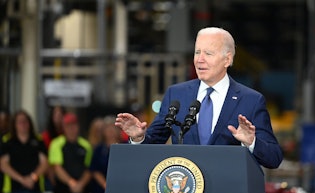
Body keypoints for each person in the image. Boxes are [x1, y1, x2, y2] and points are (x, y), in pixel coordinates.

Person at [115, 27, 283, 169]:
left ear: (227, 59)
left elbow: (274, 157)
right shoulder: (177, 94)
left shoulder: (251, 100)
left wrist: (251, 142)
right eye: (197, 52)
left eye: (208, 53)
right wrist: (138, 138)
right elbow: (152, 144)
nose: (200, 59)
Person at [0, 110, 48, 193]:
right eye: (20, 122)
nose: (23, 124)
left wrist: (33, 177)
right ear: (14, 124)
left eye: (25, 121)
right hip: (12, 188)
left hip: (35, 187)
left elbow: (44, 163)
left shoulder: (38, 140)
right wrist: (22, 179)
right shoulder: (7, 141)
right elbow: (3, 164)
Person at [48, 112, 93, 193]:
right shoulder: (57, 144)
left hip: (82, 187)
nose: (71, 128)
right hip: (63, 187)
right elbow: (57, 167)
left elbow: (89, 169)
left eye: (74, 125)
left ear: (78, 126)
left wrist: (80, 184)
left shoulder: (86, 145)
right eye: (68, 125)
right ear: (63, 127)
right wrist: (72, 183)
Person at [90, 116, 122, 193]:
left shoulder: (126, 146)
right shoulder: (99, 149)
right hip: (103, 191)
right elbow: (94, 169)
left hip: (121, 188)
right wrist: (105, 184)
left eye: (113, 128)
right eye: (108, 128)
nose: (111, 131)